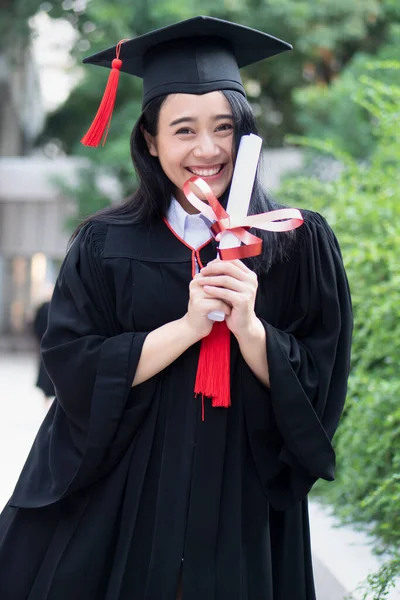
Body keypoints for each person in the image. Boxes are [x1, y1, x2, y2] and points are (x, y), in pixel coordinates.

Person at [0, 16, 353, 600]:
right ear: (150, 139)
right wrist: (188, 328)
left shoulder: (295, 241)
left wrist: (250, 330)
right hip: (128, 489)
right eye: (184, 130)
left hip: (243, 491)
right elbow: (73, 366)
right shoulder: (104, 244)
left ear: (247, 134)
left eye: (224, 128)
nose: (207, 150)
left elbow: (321, 381)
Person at [32, 299, 55, 407]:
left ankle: (47, 397)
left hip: (46, 342)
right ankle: (46, 397)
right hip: (50, 342)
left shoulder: (47, 307)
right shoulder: (48, 307)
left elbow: (36, 325)